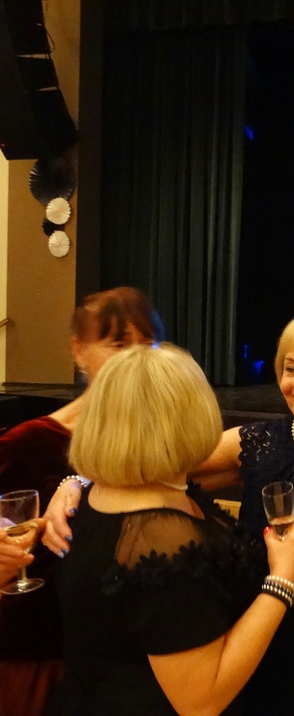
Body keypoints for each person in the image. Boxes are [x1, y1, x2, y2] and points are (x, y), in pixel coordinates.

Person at [45, 307, 294, 715]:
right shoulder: (258, 444)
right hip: (261, 655)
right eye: (290, 368)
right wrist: (76, 482)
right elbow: (150, 461)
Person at [54, 343, 294, 715]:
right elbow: (200, 703)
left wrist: (73, 481)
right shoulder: (160, 538)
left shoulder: (104, 490)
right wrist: (284, 580)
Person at [0, 287, 162, 716]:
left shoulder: (161, 446)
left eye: (147, 343)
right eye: (119, 344)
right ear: (78, 352)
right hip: (43, 655)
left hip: (129, 659)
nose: (135, 358)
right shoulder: (30, 443)